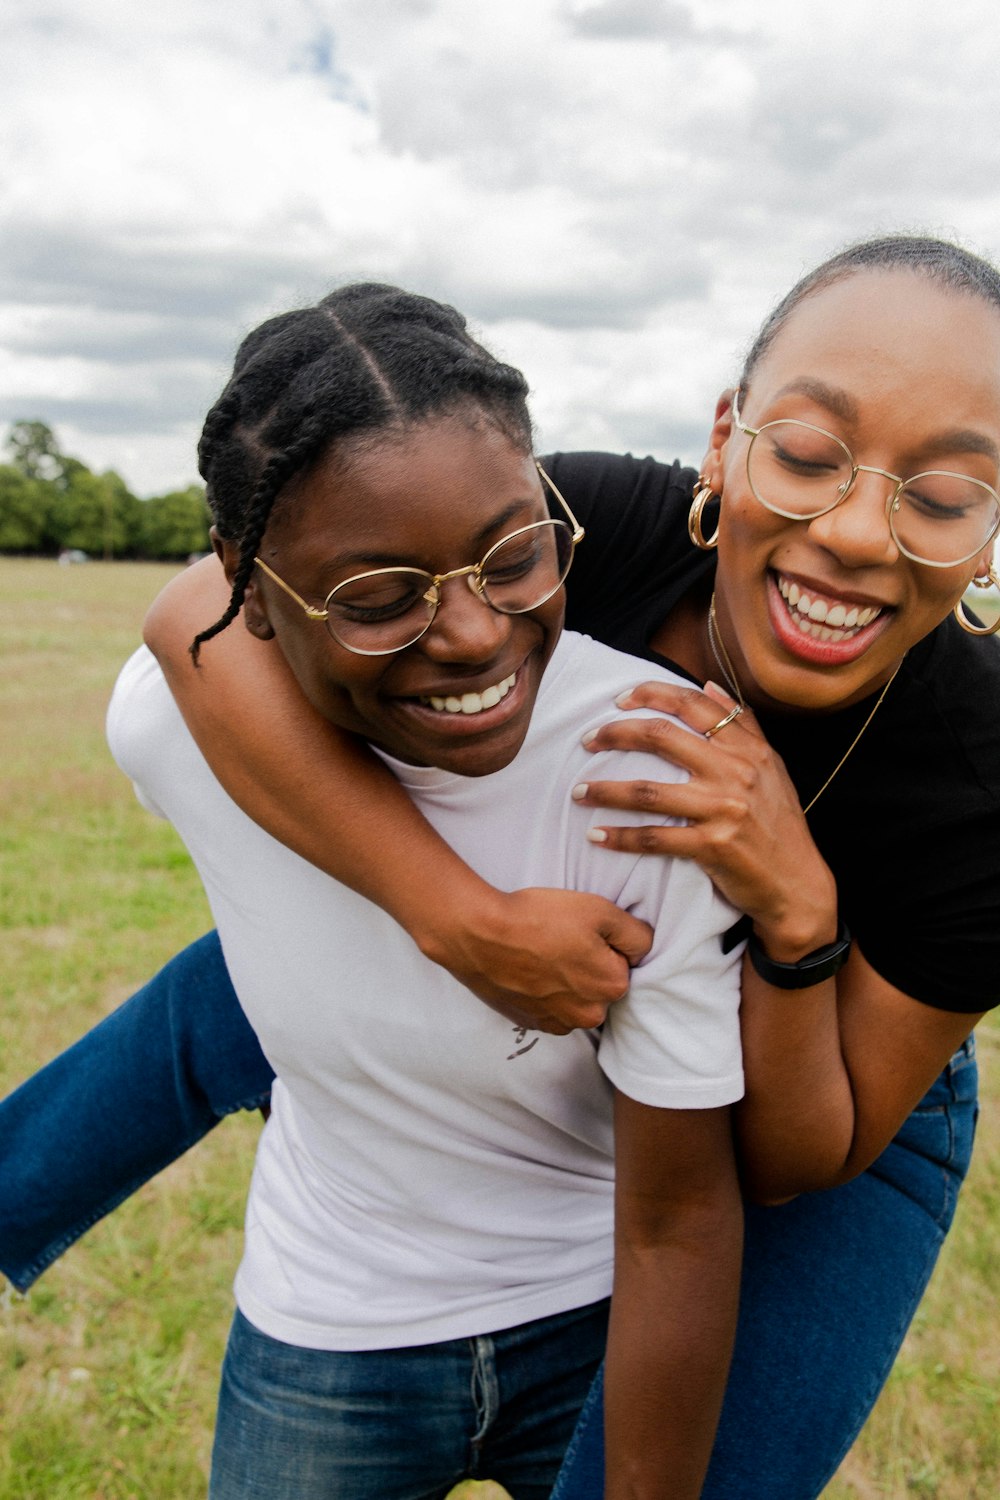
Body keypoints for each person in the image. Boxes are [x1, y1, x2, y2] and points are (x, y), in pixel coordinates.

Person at [1, 234, 996, 1496]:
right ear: (724, 442)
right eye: (804, 458)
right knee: (275, 954)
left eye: (944, 495)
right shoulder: (590, 525)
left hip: (839, 1054)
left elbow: (791, 1160)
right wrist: (453, 915)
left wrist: (797, 909)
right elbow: (196, 613)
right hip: (556, 930)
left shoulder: (979, 774)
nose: (855, 531)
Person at [103, 282, 745, 1500]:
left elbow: (676, 1220)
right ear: (248, 580)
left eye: (513, 557)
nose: (469, 636)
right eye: (378, 597)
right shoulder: (172, 725)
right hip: (330, 1320)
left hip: (596, 1305)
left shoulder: (652, 766)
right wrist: (457, 917)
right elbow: (178, 632)